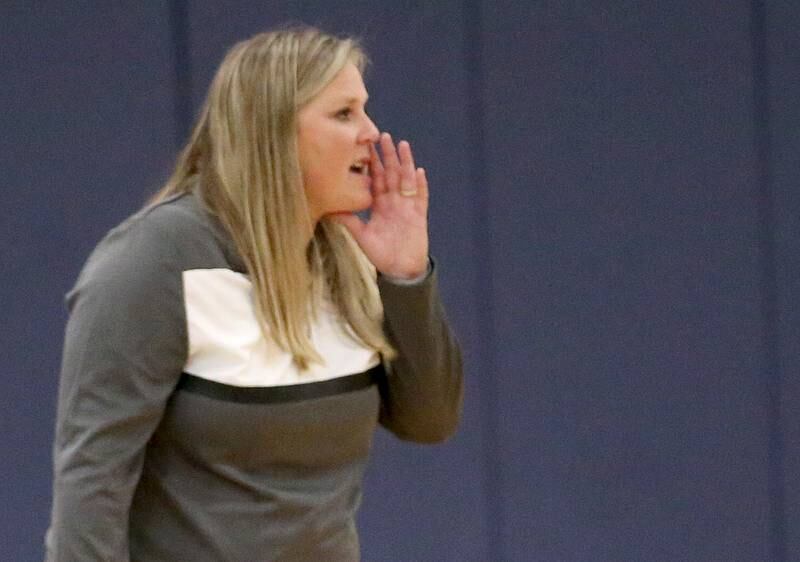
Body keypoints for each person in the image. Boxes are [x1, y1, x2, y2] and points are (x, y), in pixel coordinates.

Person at [45, 26, 463, 561]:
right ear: (273, 131)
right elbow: (91, 484)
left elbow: (430, 420)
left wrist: (407, 278)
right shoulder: (154, 261)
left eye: (365, 110)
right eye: (344, 114)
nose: (371, 133)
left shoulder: (350, 261)